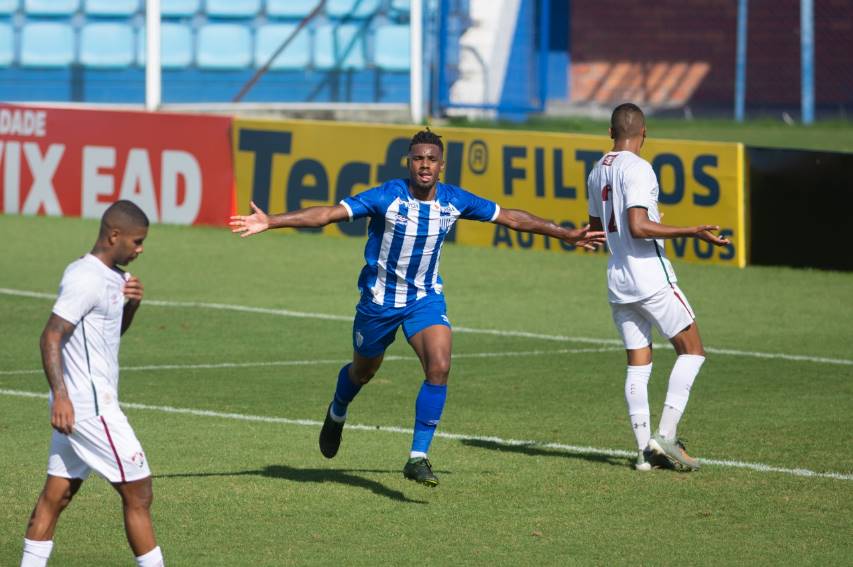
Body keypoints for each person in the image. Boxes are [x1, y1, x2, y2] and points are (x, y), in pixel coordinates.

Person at [231, 128, 606, 487]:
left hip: (424, 299)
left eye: (432, 159)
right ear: (407, 163)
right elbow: (327, 214)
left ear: (442, 165)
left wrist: (566, 233)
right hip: (378, 303)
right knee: (363, 372)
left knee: (440, 366)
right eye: (418, 159)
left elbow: (510, 217)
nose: (425, 165)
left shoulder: (454, 200)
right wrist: (273, 221)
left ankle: (417, 457)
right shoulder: (387, 197)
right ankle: (337, 411)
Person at [586, 103, 730, 472]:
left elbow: (596, 228)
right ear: (644, 133)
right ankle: (664, 436)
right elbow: (638, 226)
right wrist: (691, 231)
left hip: (618, 281)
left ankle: (643, 453)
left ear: (610, 132)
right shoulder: (640, 168)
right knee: (693, 350)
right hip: (650, 277)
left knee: (638, 363)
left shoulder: (596, 171)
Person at [20, 200, 164, 567]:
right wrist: (62, 398)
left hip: (82, 409)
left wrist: (130, 306)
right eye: (136, 241)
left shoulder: (115, 278)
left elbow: (108, 337)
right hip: (90, 410)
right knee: (139, 492)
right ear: (114, 235)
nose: (140, 249)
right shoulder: (85, 278)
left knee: (56, 497)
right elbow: (51, 335)